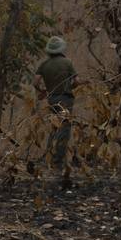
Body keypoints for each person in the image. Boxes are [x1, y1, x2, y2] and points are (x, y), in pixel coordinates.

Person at [34, 36, 77, 185]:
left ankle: (48, 157)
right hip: (65, 99)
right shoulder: (68, 63)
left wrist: (43, 91)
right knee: (64, 130)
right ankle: (58, 162)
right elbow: (75, 81)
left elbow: (36, 81)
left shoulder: (44, 64)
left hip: (51, 99)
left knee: (53, 128)